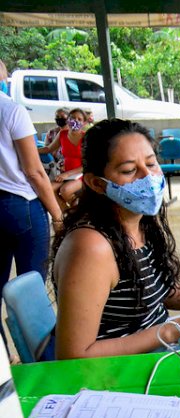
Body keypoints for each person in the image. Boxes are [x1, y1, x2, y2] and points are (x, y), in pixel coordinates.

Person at [52, 119, 180, 359]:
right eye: (129, 170)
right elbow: (73, 355)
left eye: (151, 164)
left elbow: (158, 293)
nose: (148, 177)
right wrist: (171, 331)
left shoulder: (141, 223)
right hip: (122, 372)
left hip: (160, 349)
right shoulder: (91, 246)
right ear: (96, 183)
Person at [0, 59, 64, 352]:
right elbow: (35, 171)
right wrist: (57, 213)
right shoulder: (12, 111)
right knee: (33, 290)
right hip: (20, 205)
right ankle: (44, 360)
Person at [38, 107, 87, 209]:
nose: (75, 121)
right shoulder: (62, 134)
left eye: (79, 119)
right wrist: (31, 150)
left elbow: (89, 163)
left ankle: (77, 210)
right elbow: (48, 148)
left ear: (84, 123)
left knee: (65, 190)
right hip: (64, 174)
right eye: (73, 118)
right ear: (68, 120)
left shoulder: (86, 137)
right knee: (48, 190)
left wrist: (67, 174)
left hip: (81, 173)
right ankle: (66, 213)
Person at [43, 108, 69, 176]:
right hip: (51, 164)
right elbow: (46, 148)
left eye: (62, 117)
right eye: (57, 117)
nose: (59, 119)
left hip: (66, 167)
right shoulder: (51, 132)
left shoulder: (72, 134)